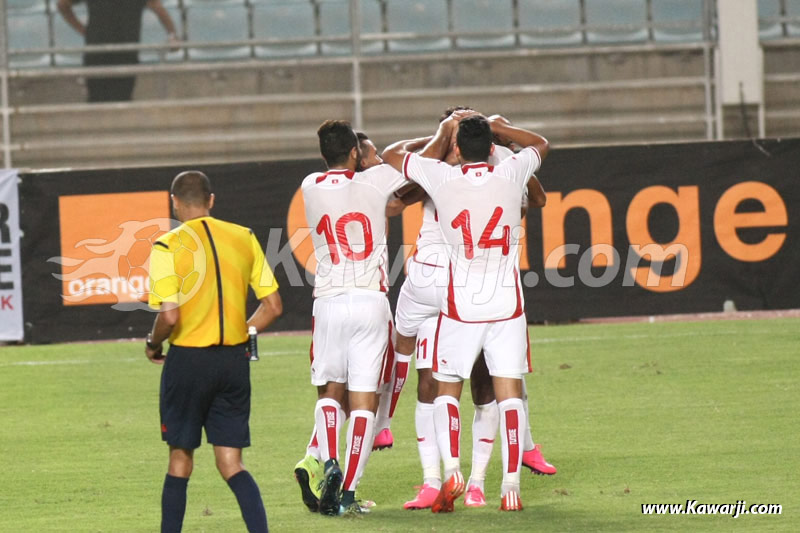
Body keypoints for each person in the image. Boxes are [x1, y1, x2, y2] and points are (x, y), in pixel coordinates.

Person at [383, 113, 549, 512]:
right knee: (508, 395)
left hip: (461, 306)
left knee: (446, 389)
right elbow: (540, 144)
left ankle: (452, 467)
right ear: (491, 146)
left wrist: (442, 132)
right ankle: (510, 486)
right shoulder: (510, 172)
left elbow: (391, 155)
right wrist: (502, 127)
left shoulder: (442, 177)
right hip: (507, 304)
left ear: (457, 148)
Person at [145, 171, 282, 532]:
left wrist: (153, 342)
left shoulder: (167, 246)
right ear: (212, 200)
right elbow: (273, 306)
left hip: (188, 361)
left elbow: (169, 316)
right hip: (233, 362)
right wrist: (243, 331)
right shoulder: (244, 237)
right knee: (231, 464)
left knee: (180, 461)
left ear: (174, 202)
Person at [301, 120, 407, 516]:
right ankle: (347, 495)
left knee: (330, 391)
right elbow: (411, 159)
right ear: (355, 154)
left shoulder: (310, 184)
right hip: (370, 301)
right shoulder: (375, 182)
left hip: (329, 301)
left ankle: (329, 464)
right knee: (364, 403)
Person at [57, 0, 179, 102]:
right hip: (124, 52)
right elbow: (156, 6)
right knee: (121, 99)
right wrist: (172, 34)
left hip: (98, 52)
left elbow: (62, 5)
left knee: (98, 101)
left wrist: (82, 30)